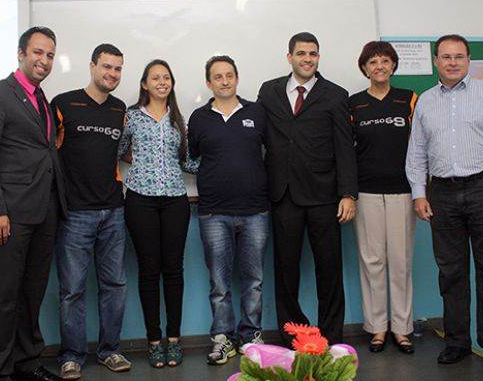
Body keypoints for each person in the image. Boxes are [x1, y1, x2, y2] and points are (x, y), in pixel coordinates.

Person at [406, 34, 483, 371]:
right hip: (442, 194)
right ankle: (457, 342)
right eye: (446, 57)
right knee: (451, 271)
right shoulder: (426, 101)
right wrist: (419, 193)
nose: (452, 62)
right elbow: (416, 152)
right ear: (436, 61)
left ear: (469, 60)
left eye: (459, 56)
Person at [0, 26, 67, 381]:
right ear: (21, 53)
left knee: (32, 294)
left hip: (45, 211)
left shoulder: (42, 99)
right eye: (38, 52)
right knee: (4, 297)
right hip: (10, 215)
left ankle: (28, 363)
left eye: (50, 55)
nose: (44, 60)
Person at [257, 32, 357, 346]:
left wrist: (348, 194)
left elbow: (344, 147)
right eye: (301, 53)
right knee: (286, 271)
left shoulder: (335, 94)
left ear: (318, 57)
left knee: (329, 271)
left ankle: (331, 337)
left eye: (313, 54)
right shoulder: (269, 91)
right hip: (283, 195)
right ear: (290, 57)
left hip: (325, 197)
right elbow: (258, 138)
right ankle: (295, 336)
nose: (307, 59)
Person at [52, 44, 131, 380]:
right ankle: (72, 356)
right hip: (74, 214)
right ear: (92, 66)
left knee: (115, 285)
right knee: (72, 289)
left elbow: (123, 152)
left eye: (117, 69)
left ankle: (110, 351)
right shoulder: (64, 103)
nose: (111, 74)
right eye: (106, 67)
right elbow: (48, 153)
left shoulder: (120, 109)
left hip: (113, 211)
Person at [188, 55, 268, 365]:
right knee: (219, 283)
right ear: (209, 83)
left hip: (255, 210)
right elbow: (192, 157)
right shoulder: (199, 118)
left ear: (237, 78)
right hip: (213, 213)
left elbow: (270, 151)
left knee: (254, 280)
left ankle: (251, 337)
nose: (224, 81)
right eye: (218, 76)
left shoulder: (256, 112)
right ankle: (223, 339)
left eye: (229, 75)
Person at [119, 59, 197, 369]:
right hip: (140, 201)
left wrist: (223, 160)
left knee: (174, 270)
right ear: (145, 84)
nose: (162, 82)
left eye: (166, 77)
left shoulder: (178, 119)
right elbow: (118, 151)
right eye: (155, 78)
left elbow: (187, 161)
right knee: (149, 271)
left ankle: (174, 341)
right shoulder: (132, 116)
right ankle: (154, 342)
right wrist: (142, 162)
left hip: (176, 201)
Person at [349, 41, 418, 354]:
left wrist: (423, 190)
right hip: (366, 193)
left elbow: (421, 146)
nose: (379, 66)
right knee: (372, 262)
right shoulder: (354, 104)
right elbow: (347, 151)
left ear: (393, 66)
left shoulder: (409, 99)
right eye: (373, 62)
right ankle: (377, 327)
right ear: (365, 68)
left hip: (403, 191)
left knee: (400, 262)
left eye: (385, 61)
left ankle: (402, 329)